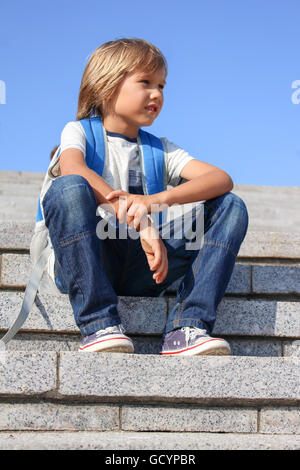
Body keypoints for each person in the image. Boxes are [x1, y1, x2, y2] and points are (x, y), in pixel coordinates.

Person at [41, 38, 248, 356]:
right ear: (107, 83)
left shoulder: (160, 148)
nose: (157, 94)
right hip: (90, 258)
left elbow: (221, 179)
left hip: (146, 267)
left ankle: (187, 326)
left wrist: (153, 204)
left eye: (162, 85)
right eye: (146, 82)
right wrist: (141, 223)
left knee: (230, 205)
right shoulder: (79, 132)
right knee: (68, 188)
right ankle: (98, 324)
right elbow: (73, 168)